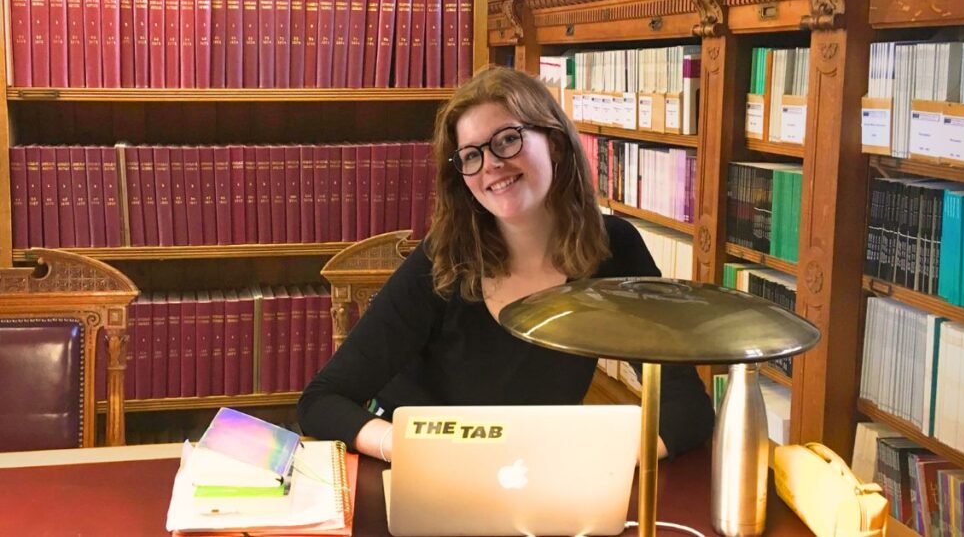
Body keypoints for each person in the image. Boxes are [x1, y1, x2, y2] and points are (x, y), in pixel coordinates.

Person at [298, 66, 714, 462]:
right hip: (432, 480)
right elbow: (323, 400)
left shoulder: (613, 247)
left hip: (539, 479)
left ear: (552, 140)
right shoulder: (442, 260)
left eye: (507, 140)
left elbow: (685, 407)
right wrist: (404, 447)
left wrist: (605, 461)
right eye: (471, 156)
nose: (491, 165)